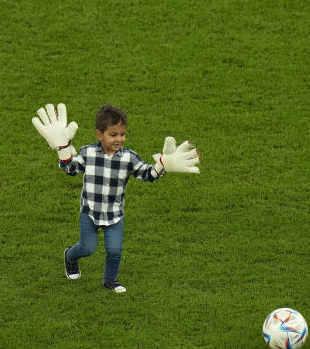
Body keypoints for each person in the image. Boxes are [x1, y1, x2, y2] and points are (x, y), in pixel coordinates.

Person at [32, 103, 199, 292]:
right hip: (90, 213)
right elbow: (70, 169)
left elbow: (147, 174)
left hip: (114, 215)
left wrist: (162, 165)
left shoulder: (129, 157)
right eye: (113, 135)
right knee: (88, 249)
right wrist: (62, 148)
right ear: (99, 134)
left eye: (122, 134)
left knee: (114, 250)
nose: (119, 139)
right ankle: (70, 256)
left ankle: (110, 280)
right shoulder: (88, 153)